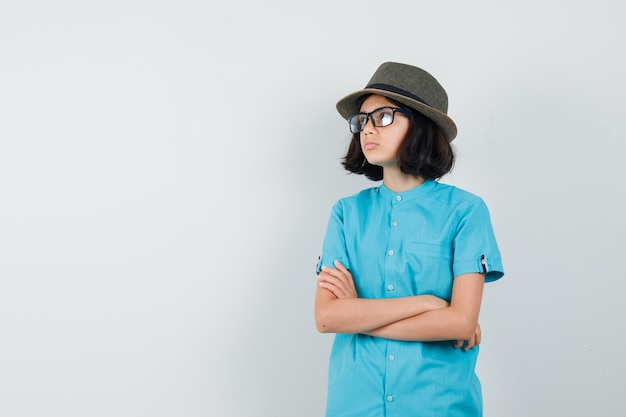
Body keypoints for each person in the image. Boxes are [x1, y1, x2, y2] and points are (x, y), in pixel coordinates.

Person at [314, 62, 504, 417]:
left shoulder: (465, 212)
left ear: (420, 125)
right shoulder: (346, 213)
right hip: (355, 403)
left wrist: (358, 313)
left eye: (383, 116)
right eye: (362, 119)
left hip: (437, 404)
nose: (367, 129)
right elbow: (327, 318)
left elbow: (460, 324)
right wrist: (429, 304)